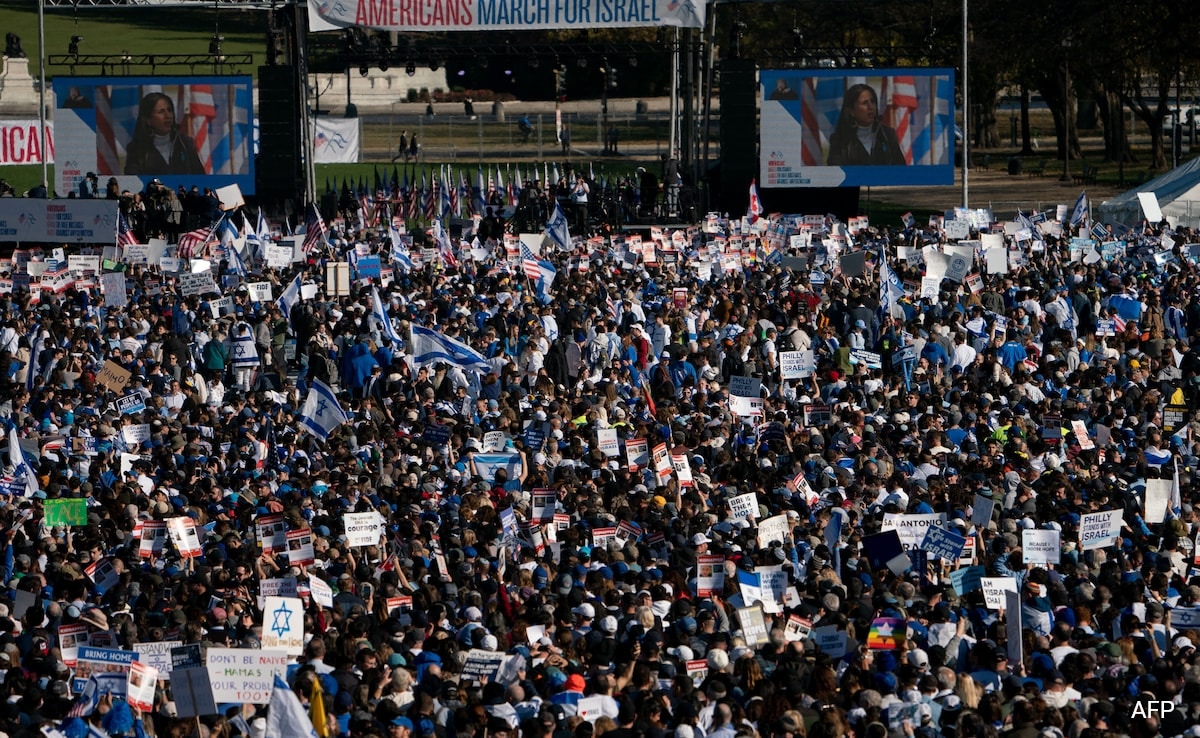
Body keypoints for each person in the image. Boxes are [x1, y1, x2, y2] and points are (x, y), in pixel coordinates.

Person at [124, 92, 205, 176]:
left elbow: (201, 178)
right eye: (161, 112)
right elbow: (133, 183)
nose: (167, 115)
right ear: (148, 120)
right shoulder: (136, 150)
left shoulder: (185, 143)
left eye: (169, 110)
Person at [826, 83, 906, 166]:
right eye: (864, 103)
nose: (871, 107)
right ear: (852, 111)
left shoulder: (887, 135)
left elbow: (902, 170)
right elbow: (835, 173)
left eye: (872, 101)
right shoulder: (839, 140)